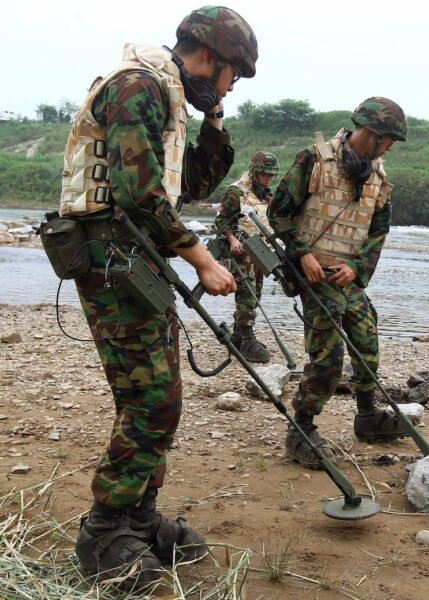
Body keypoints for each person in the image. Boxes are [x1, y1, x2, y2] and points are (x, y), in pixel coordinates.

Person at [57, 6, 257, 590]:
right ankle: (106, 534)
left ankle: (138, 519)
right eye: (231, 77)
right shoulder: (137, 87)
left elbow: (189, 184)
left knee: (159, 396)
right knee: (150, 400)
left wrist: (215, 120)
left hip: (134, 259)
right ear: (213, 57)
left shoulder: (166, 96)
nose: (229, 86)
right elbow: (138, 193)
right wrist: (203, 257)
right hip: (110, 257)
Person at [268, 97, 408, 469]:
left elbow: (379, 230)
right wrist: (302, 253)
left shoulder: (378, 176)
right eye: (389, 140)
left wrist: (359, 269)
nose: (390, 147)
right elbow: (278, 211)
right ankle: (300, 431)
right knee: (328, 358)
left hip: (348, 278)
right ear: (375, 135)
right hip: (314, 274)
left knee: (366, 345)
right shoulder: (313, 160)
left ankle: (367, 417)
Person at [214, 151, 280, 363]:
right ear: (254, 172)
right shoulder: (236, 192)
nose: (269, 179)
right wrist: (232, 240)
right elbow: (222, 220)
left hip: (261, 252)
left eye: (272, 176)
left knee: (256, 293)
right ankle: (248, 338)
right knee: (247, 293)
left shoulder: (264, 194)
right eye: (265, 175)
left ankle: (237, 336)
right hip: (241, 252)